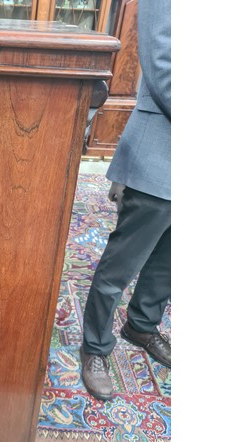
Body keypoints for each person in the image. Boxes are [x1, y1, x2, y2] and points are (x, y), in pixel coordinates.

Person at [80, 0, 171, 401]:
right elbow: (163, 67)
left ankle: (142, 326)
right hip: (162, 149)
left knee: (169, 259)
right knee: (121, 263)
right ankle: (95, 348)